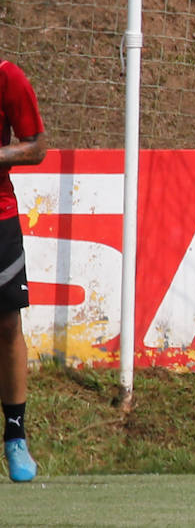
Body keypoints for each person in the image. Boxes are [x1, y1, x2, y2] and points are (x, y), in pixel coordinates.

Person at [0, 59, 46, 482]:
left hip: (0, 220)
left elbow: (35, 147)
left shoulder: (7, 75)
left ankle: (15, 437)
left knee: (8, 325)